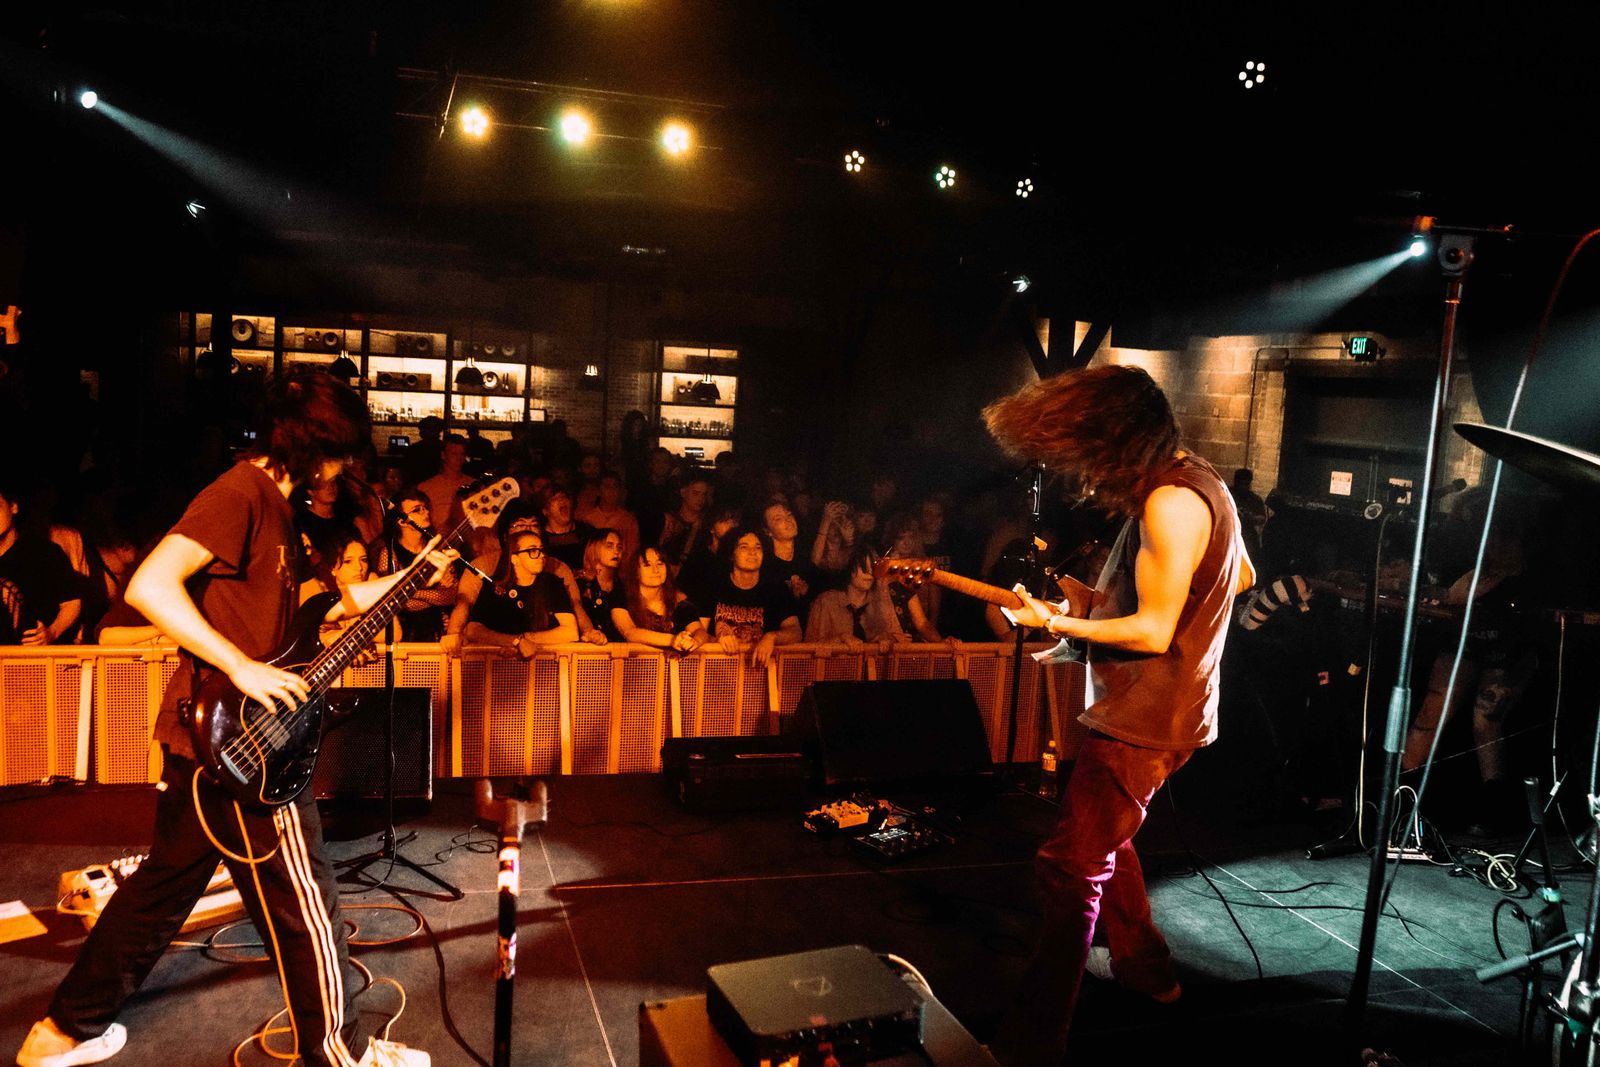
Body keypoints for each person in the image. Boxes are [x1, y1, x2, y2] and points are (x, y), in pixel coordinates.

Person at [16, 370, 453, 1067]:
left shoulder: (281, 510)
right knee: (307, 900)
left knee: (160, 891)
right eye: (340, 452)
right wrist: (242, 667)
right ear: (314, 443)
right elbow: (151, 584)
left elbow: (329, 606)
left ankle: (62, 1030)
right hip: (241, 736)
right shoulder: (239, 493)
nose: (343, 470)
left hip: (213, 741)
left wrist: (417, 572)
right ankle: (341, 1053)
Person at [981, 365, 1254, 1067]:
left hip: (1144, 717)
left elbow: (1156, 629)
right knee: (1113, 843)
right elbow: (1240, 576)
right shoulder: (1200, 481)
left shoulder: (1171, 502)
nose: (1083, 473)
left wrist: (1055, 622)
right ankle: (1147, 970)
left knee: (1069, 867)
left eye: (1086, 452)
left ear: (1116, 440)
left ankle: (1033, 1041)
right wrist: (1094, 606)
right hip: (1166, 706)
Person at [463, 529, 579, 654]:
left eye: (541, 550)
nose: (541, 555)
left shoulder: (552, 584)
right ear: (515, 559)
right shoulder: (494, 585)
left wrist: (525, 639)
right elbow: (473, 630)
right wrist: (514, 641)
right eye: (532, 550)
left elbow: (571, 632)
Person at [700, 526, 802, 667]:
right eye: (744, 547)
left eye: (758, 547)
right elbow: (699, 632)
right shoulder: (714, 585)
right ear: (731, 553)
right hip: (715, 668)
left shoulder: (776, 589)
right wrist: (716, 640)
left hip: (758, 670)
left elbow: (795, 632)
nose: (752, 552)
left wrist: (771, 637)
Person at [0, 476, 83, 646]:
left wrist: (51, 632)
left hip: (35, 656)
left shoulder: (45, 553)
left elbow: (72, 603)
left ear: (13, 507)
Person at [804, 547, 907, 649]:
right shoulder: (826, 602)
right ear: (850, 570)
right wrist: (841, 639)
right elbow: (810, 645)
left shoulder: (880, 601)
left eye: (873, 568)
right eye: (864, 568)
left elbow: (900, 638)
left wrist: (887, 639)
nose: (870, 573)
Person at [613, 544, 708, 653]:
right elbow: (629, 632)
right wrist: (672, 640)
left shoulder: (679, 601)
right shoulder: (621, 596)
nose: (656, 570)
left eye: (660, 564)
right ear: (636, 572)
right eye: (647, 565)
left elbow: (699, 630)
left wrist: (694, 641)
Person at [574, 528, 626, 644]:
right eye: (609, 546)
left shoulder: (623, 586)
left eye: (619, 547)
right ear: (595, 549)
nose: (616, 551)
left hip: (617, 648)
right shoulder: (580, 583)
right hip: (587, 647)